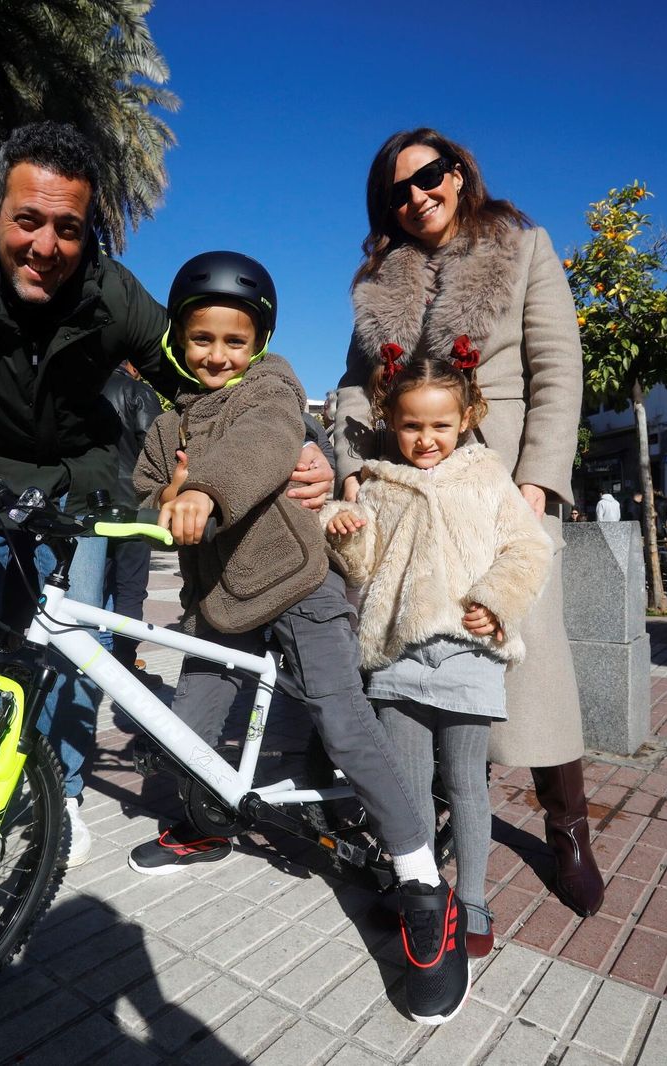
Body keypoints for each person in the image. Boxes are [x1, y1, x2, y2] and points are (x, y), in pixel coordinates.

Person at [0, 122, 333, 868]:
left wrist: (305, 442)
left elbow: (210, 375)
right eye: (27, 220)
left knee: (74, 651)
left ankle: (67, 798)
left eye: (67, 228)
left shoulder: (110, 292)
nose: (45, 247)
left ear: (87, 230)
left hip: (77, 486)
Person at [126, 252, 457, 1024]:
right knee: (187, 736)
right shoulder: (167, 419)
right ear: (178, 339)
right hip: (218, 601)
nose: (217, 355)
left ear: (258, 341)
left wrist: (203, 487)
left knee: (345, 725)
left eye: (233, 341)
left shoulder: (268, 388)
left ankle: (420, 884)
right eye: (201, 338)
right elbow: (145, 492)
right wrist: (166, 494)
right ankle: (211, 825)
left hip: (299, 588)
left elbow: (268, 444)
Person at [331, 128, 602, 917]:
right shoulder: (378, 280)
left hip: (503, 487)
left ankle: (569, 827)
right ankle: (443, 813)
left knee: (533, 658)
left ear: (460, 173)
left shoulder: (523, 247)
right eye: (397, 191)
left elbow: (559, 368)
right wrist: (352, 469)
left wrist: (538, 482)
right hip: (408, 494)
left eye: (429, 177)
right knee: (421, 648)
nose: (417, 196)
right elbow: (354, 388)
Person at [324, 353, 552, 978]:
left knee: (466, 785)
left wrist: (497, 601)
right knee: (406, 789)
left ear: (467, 419)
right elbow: (363, 567)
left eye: (441, 427)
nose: (426, 440)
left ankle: (473, 899)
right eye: (411, 427)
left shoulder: (487, 479)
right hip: (396, 658)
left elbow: (527, 546)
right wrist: (343, 531)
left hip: (467, 654)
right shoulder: (377, 482)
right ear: (389, 423)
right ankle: (419, 890)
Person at [98, 363, 163, 681]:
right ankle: (124, 664)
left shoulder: (86, 387)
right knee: (130, 589)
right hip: (131, 507)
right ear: (133, 365)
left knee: (91, 587)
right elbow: (155, 449)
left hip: (91, 503)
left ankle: (90, 659)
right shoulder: (138, 392)